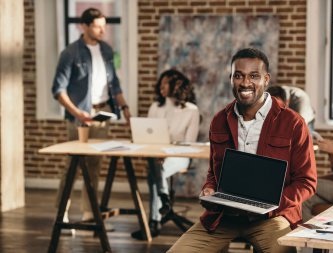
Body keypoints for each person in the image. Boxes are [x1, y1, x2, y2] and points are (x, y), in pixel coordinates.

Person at [168, 48, 317, 253]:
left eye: (254, 76)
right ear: (231, 79)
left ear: (266, 79)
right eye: (238, 76)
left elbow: (307, 182)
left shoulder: (293, 123)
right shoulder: (220, 120)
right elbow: (214, 172)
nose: (245, 83)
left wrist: (272, 204)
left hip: (271, 217)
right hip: (224, 216)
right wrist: (210, 188)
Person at [51, 8, 131, 223]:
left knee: (95, 165)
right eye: (97, 26)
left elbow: (114, 84)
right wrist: (78, 113)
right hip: (80, 117)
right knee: (73, 165)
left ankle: (89, 213)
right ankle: (62, 213)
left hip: (102, 113)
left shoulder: (106, 50)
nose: (102, 30)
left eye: (104, 26)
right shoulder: (70, 53)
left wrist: (124, 107)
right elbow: (58, 90)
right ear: (83, 26)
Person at [131, 69, 200, 240]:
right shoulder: (155, 107)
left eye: (165, 83)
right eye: (160, 83)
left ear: (176, 86)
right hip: (157, 154)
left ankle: (154, 222)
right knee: (156, 165)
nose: (160, 87)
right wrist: (159, 152)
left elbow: (189, 144)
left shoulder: (191, 110)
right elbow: (148, 137)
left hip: (180, 156)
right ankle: (164, 199)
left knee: (153, 173)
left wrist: (168, 153)